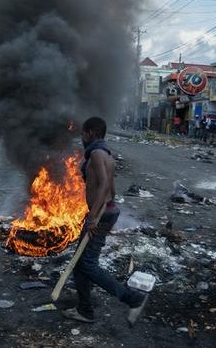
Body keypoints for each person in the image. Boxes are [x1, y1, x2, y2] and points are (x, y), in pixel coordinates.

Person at [63, 117, 147, 325]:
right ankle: (84, 309)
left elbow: (102, 186)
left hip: (99, 215)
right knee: (80, 263)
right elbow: (112, 189)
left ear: (90, 132)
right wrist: (108, 209)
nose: (81, 138)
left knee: (88, 264)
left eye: (83, 133)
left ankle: (132, 299)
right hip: (106, 212)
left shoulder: (98, 154)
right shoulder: (106, 154)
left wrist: (94, 217)